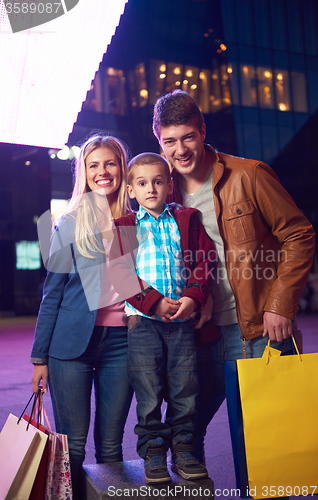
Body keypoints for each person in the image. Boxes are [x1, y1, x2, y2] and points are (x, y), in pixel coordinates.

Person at [152, 90, 316, 466]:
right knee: (185, 432)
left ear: (202, 130)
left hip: (257, 329)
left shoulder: (249, 174)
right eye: (170, 141)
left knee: (267, 445)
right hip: (198, 332)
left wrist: (280, 305)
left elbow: (298, 234)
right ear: (159, 141)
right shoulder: (160, 191)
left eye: (188, 137)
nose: (181, 149)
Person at [30, 134, 134, 497]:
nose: (102, 171)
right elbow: (52, 293)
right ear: (84, 173)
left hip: (122, 344)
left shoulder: (139, 221)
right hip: (68, 347)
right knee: (72, 447)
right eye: (93, 165)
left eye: (110, 163)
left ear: (122, 167)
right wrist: (39, 357)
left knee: (111, 447)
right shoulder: (70, 223)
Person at [109, 152, 216, 484]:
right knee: (149, 390)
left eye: (158, 181)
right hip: (143, 324)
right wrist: (153, 303)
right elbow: (120, 273)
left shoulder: (185, 218)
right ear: (131, 190)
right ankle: (154, 452)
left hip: (182, 322)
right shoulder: (125, 226)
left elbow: (204, 261)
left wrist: (193, 297)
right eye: (142, 183)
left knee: (186, 388)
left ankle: (182, 450)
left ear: (170, 185)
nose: (151, 189)